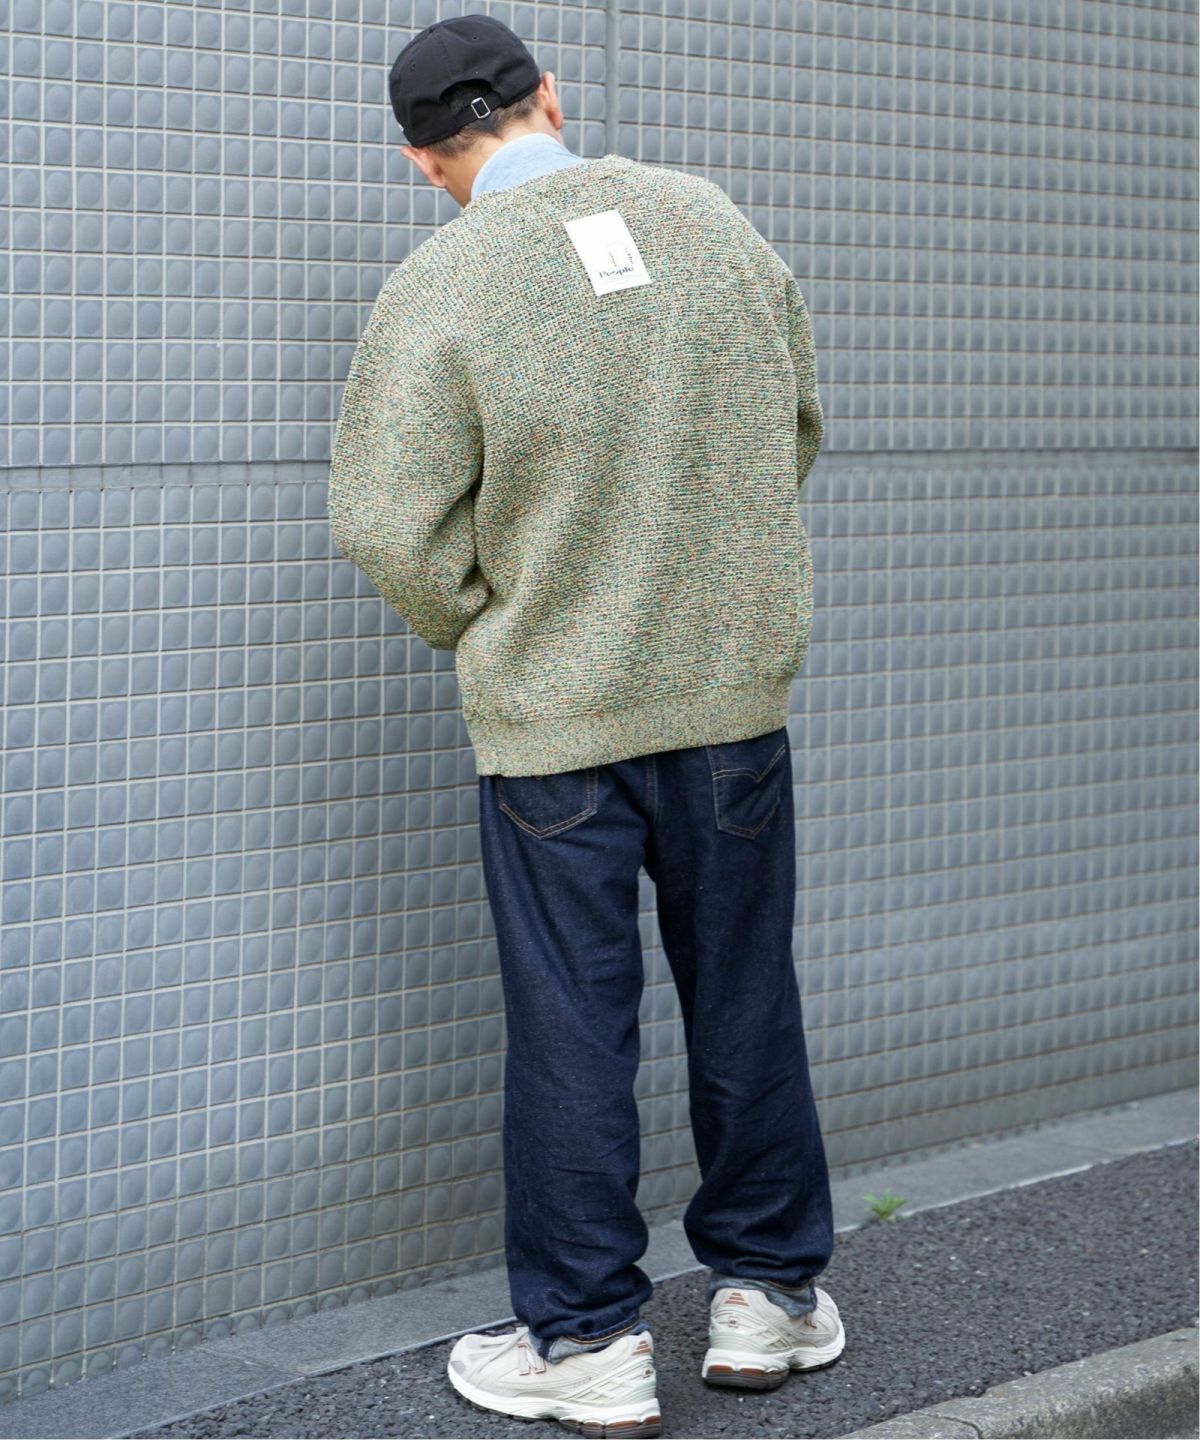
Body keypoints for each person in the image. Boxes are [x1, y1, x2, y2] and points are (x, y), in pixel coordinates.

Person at [327, 14, 844, 1436]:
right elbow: (796, 422)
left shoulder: (442, 283)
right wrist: (715, 577)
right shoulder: (710, 224)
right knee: (744, 993)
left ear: (424, 160)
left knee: (572, 1025)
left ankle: (590, 1341)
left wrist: (491, 621)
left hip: (552, 718)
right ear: (551, 99)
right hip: (729, 701)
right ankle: (766, 1296)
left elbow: (384, 524)